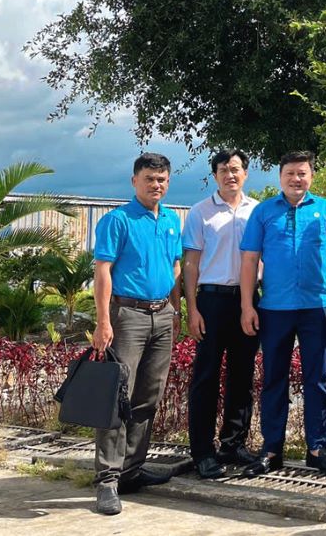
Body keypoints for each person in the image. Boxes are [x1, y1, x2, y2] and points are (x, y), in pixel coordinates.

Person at [239, 150, 326, 476]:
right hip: (274, 309)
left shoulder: (325, 210)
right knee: (273, 379)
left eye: (302, 173)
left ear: (311, 176)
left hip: (317, 308)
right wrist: (247, 305)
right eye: (290, 173)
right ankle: (272, 450)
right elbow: (248, 260)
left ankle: (318, 448)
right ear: (280, 177)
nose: (296, 179)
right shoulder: (264, 212)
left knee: (317, 380)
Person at [91, 153, 183, 515]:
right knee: (117, 397)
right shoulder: (117, 220)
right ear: (134, 181)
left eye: (161, 179)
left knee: (147, 397)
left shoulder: (173, 220)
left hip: (162, 315)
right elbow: (103, 271)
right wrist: (103, 321)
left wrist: (175, 312)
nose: (156, 185)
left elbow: (176, 266)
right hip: (126, 315)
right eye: (149, 179)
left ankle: (131, 470)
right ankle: (107, 480)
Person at [182, 150, 260, 479]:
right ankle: (202, 451)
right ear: (214, 175)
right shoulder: (200, 212)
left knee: (242, 376)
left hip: (248, 301)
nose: (230, 175)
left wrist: (251, 304)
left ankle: (233, 443)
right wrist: (192, 309)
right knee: (206, 377)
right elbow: (191, 264)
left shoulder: (257, 211)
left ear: (245, 174)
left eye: (236, 169)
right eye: (224, 170)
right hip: (211, 301)